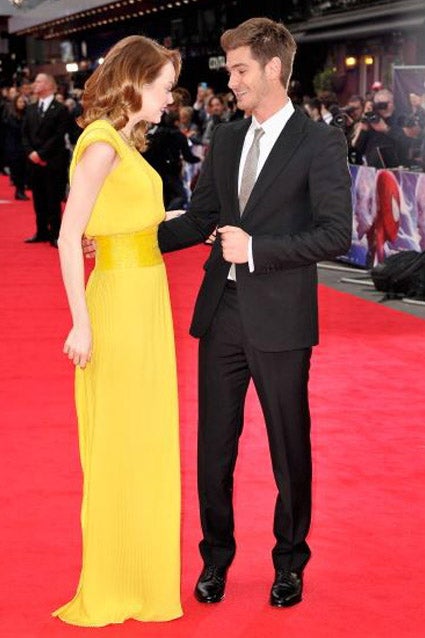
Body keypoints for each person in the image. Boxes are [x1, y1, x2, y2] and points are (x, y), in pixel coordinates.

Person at [156, 17, 352, 608]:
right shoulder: (226, 138)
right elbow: (200, 218)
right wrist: (127, 239)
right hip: (222, 311)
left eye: (240, 70)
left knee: (289, 448)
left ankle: (289, 563)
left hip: (282, 319)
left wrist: (258, 249)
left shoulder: (319, 141)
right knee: (214, 447)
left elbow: (335, 234)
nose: (232, 81)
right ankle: (215, 558)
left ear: (272, 69)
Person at [53, 35, 183, 626]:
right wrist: (81, 324)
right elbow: (67, 236)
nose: (170, 98)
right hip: (119, 308)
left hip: (145, 299)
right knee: (121, 444)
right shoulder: (103, 143)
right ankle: (115, 581)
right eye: (164, 87)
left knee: (144, 441)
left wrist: (195, 219)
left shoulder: (124, 144)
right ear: (135, 81)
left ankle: (141, 578)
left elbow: (130, 224)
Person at [22, 73, 69, 246]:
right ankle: (41, 231)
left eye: (38, 81)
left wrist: (41, 154)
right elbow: (24, 134)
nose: (34, 84)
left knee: (53, 199)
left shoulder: (61, 109)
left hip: (52, 162)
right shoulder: (31, 108)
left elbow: (58, 136)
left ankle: (56, 234)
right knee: (38, 198)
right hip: (34, 163)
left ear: (49, 85)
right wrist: (31, 153)